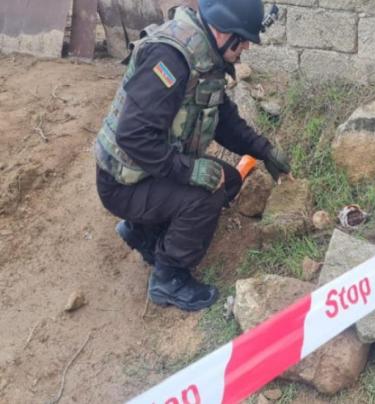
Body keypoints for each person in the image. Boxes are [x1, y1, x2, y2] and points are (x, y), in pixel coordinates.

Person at [94, 0, 290, 311]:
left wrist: (264, 150)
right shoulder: (170, 59)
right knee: (205, 196)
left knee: (229, 180)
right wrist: (188, 171)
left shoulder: (205, 54)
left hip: (147, 172)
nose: (247, 47)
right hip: (122, 183)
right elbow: (133, 135)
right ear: (222, 30)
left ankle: (141, 231)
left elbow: (224, 119)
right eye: (243, 39)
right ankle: (168, 278)